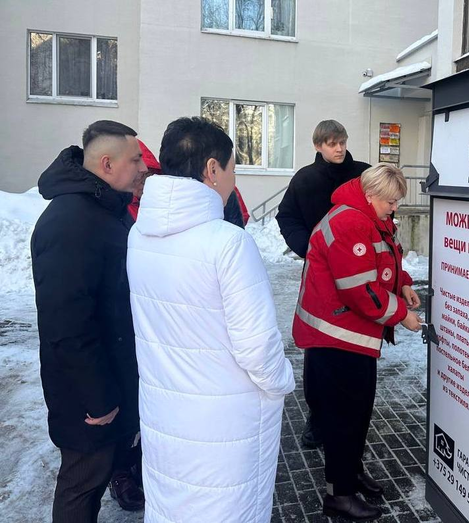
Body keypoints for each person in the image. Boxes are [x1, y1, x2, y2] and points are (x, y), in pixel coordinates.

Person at [127, 116, 295, 523]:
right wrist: (282, 382)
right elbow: (257, 348)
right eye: (233, 169)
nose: (233, 181)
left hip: (164, 410)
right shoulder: (228, 243)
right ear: (212, 169)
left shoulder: (139, 234)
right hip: (225, 423)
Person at [31, 120, 148, 522]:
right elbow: (66, 324)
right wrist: (97, 398)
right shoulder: (70, 222)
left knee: (97, 474)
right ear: (107, 164)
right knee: (83, 482)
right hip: (86, 394)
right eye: (135, 160)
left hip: (111, 377)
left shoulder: (104, 210)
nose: (142, 168)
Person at [292, 163, 423, 521]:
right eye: (391, 201)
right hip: (335, 338)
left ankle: (350, 471)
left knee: (358, 412)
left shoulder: (368, 216)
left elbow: (384, 259)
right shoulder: (350, 222)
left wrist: (403, 283)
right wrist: (402, 315)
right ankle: (339, 494)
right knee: (344, 418)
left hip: (349, 335)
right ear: (370, 195)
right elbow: (360, 290)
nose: (394, 208)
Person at [276, 119, 370, 449]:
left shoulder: (364, 175)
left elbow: (384, 210)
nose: (339, 148)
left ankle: (355, 416)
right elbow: (286, 216)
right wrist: (308, 247)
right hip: (321, 278)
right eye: (332, 143)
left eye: (342, 141)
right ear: (318, 145)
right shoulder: (305, 179)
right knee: (319, 349)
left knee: (357, 345)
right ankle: (317, 417)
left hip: (360, 275)